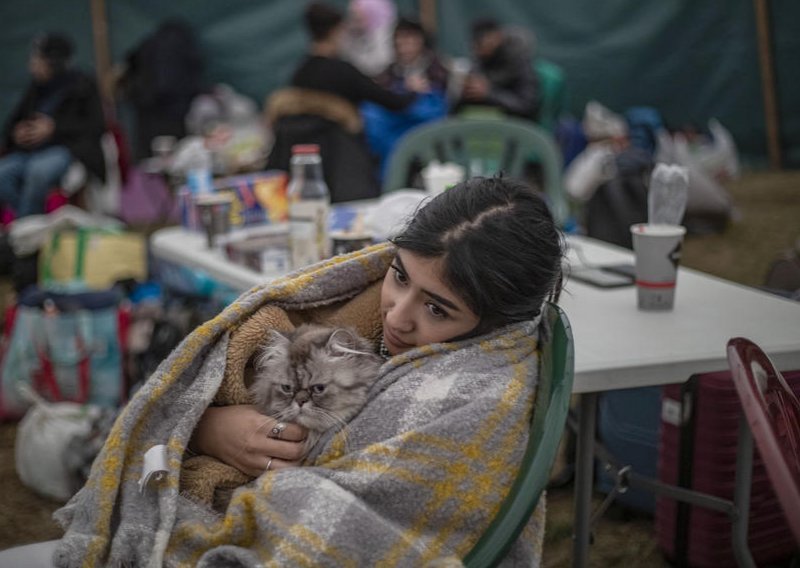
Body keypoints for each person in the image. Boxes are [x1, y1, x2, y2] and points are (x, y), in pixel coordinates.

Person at [0, 176, 564, 566]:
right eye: (398, 275)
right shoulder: (374, 312)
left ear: (492, 322)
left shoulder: (473, 400)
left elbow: (340, 528)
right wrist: (205, 423)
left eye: (437, 308)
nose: (398, 313)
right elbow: (225, 367)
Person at [265, 2, 424, 202]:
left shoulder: (300, 72)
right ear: (337, 31)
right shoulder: (343, 71)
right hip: (343, 168)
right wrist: (414, 90)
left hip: (303, 174)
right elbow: (395, 103)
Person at [0, 33, 106, 218]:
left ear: (52, 62)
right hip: (29, 152)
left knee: (38, 172)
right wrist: (16, 133)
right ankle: (29, 222)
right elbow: (13, 123)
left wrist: (54, 128)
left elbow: (96, 126)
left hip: (67, 150)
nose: (32, 65)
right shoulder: (37, 88)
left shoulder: (82, 85)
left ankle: (25, 230)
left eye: (37, 59)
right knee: (3, 174)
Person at [363, 17, 450, 179]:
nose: (405, 47)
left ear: (421, 41)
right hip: (393, 131)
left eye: (410, 40)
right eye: (400, 41)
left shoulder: (438, 70)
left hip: (423, 129)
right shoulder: (388, 73)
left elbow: (436, 107)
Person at [456, 18, 540, 119]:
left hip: (514, 127)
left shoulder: (520, 63)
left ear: (496, 37)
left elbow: (527, 106)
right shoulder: (480, 62)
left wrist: (489, 94)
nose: (476, 48)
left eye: (480, 42)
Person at [339, 0, 397, 77]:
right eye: (352, 16)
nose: (353, 21)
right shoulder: (349, 35)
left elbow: (378, 65)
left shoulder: (386, 35)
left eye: (358, 19)